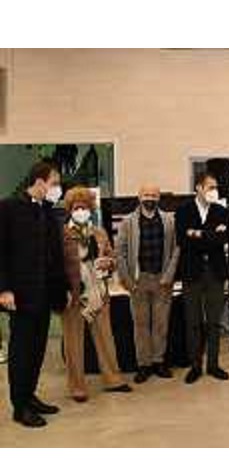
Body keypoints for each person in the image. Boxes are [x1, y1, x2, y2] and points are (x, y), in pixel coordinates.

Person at [0, 160, 69, 427]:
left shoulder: (49, 212)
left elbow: (56, 256)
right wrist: (4, 288)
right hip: (20, 295)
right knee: (21, 352)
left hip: (45, 294)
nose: (57, 188)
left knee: (38, 350)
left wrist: (64, 289)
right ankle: (20, 407)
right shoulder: (8, 208)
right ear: (39, 182)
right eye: (54, 183)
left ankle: (30, 397)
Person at [62, 187, 132, 402]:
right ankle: (77, 387)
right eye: (77, 207)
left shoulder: (99, 233)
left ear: (91, 209)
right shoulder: (62, 234)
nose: (81, 211)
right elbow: (55, 265)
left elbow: (112, 258)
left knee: (105, 337)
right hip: (73, 294)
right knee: (73, 342)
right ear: (70, 210)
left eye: (84, 207)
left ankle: (113, 379)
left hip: (99, 292)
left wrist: (108, 263)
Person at [116, 184, 180, 383]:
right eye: (146, 194)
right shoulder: (127, 222)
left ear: (159, 197)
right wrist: (128, 281)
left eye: (153, 195)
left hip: (162, 279)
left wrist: (169, 275)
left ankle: (158, 361)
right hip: (139, 280)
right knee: (141, 325)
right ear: (139, 196)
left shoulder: (169, 221)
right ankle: (144, 364)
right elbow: (120, 253)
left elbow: (176, 249)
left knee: (161, 323)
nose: (149, 198)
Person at [176, 172, 229, 384]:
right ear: (198, 187)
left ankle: (213, 365)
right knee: (193, 321)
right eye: (210, 187)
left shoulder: (221, 211)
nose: (214, 191)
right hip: (192, 272)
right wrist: (210, 234)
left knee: (214, 322)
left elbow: (222, 239)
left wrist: (197, 233)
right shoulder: (183, 211)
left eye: (216, 187)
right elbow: (182, 240)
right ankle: (195, 366)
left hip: (216, 272)